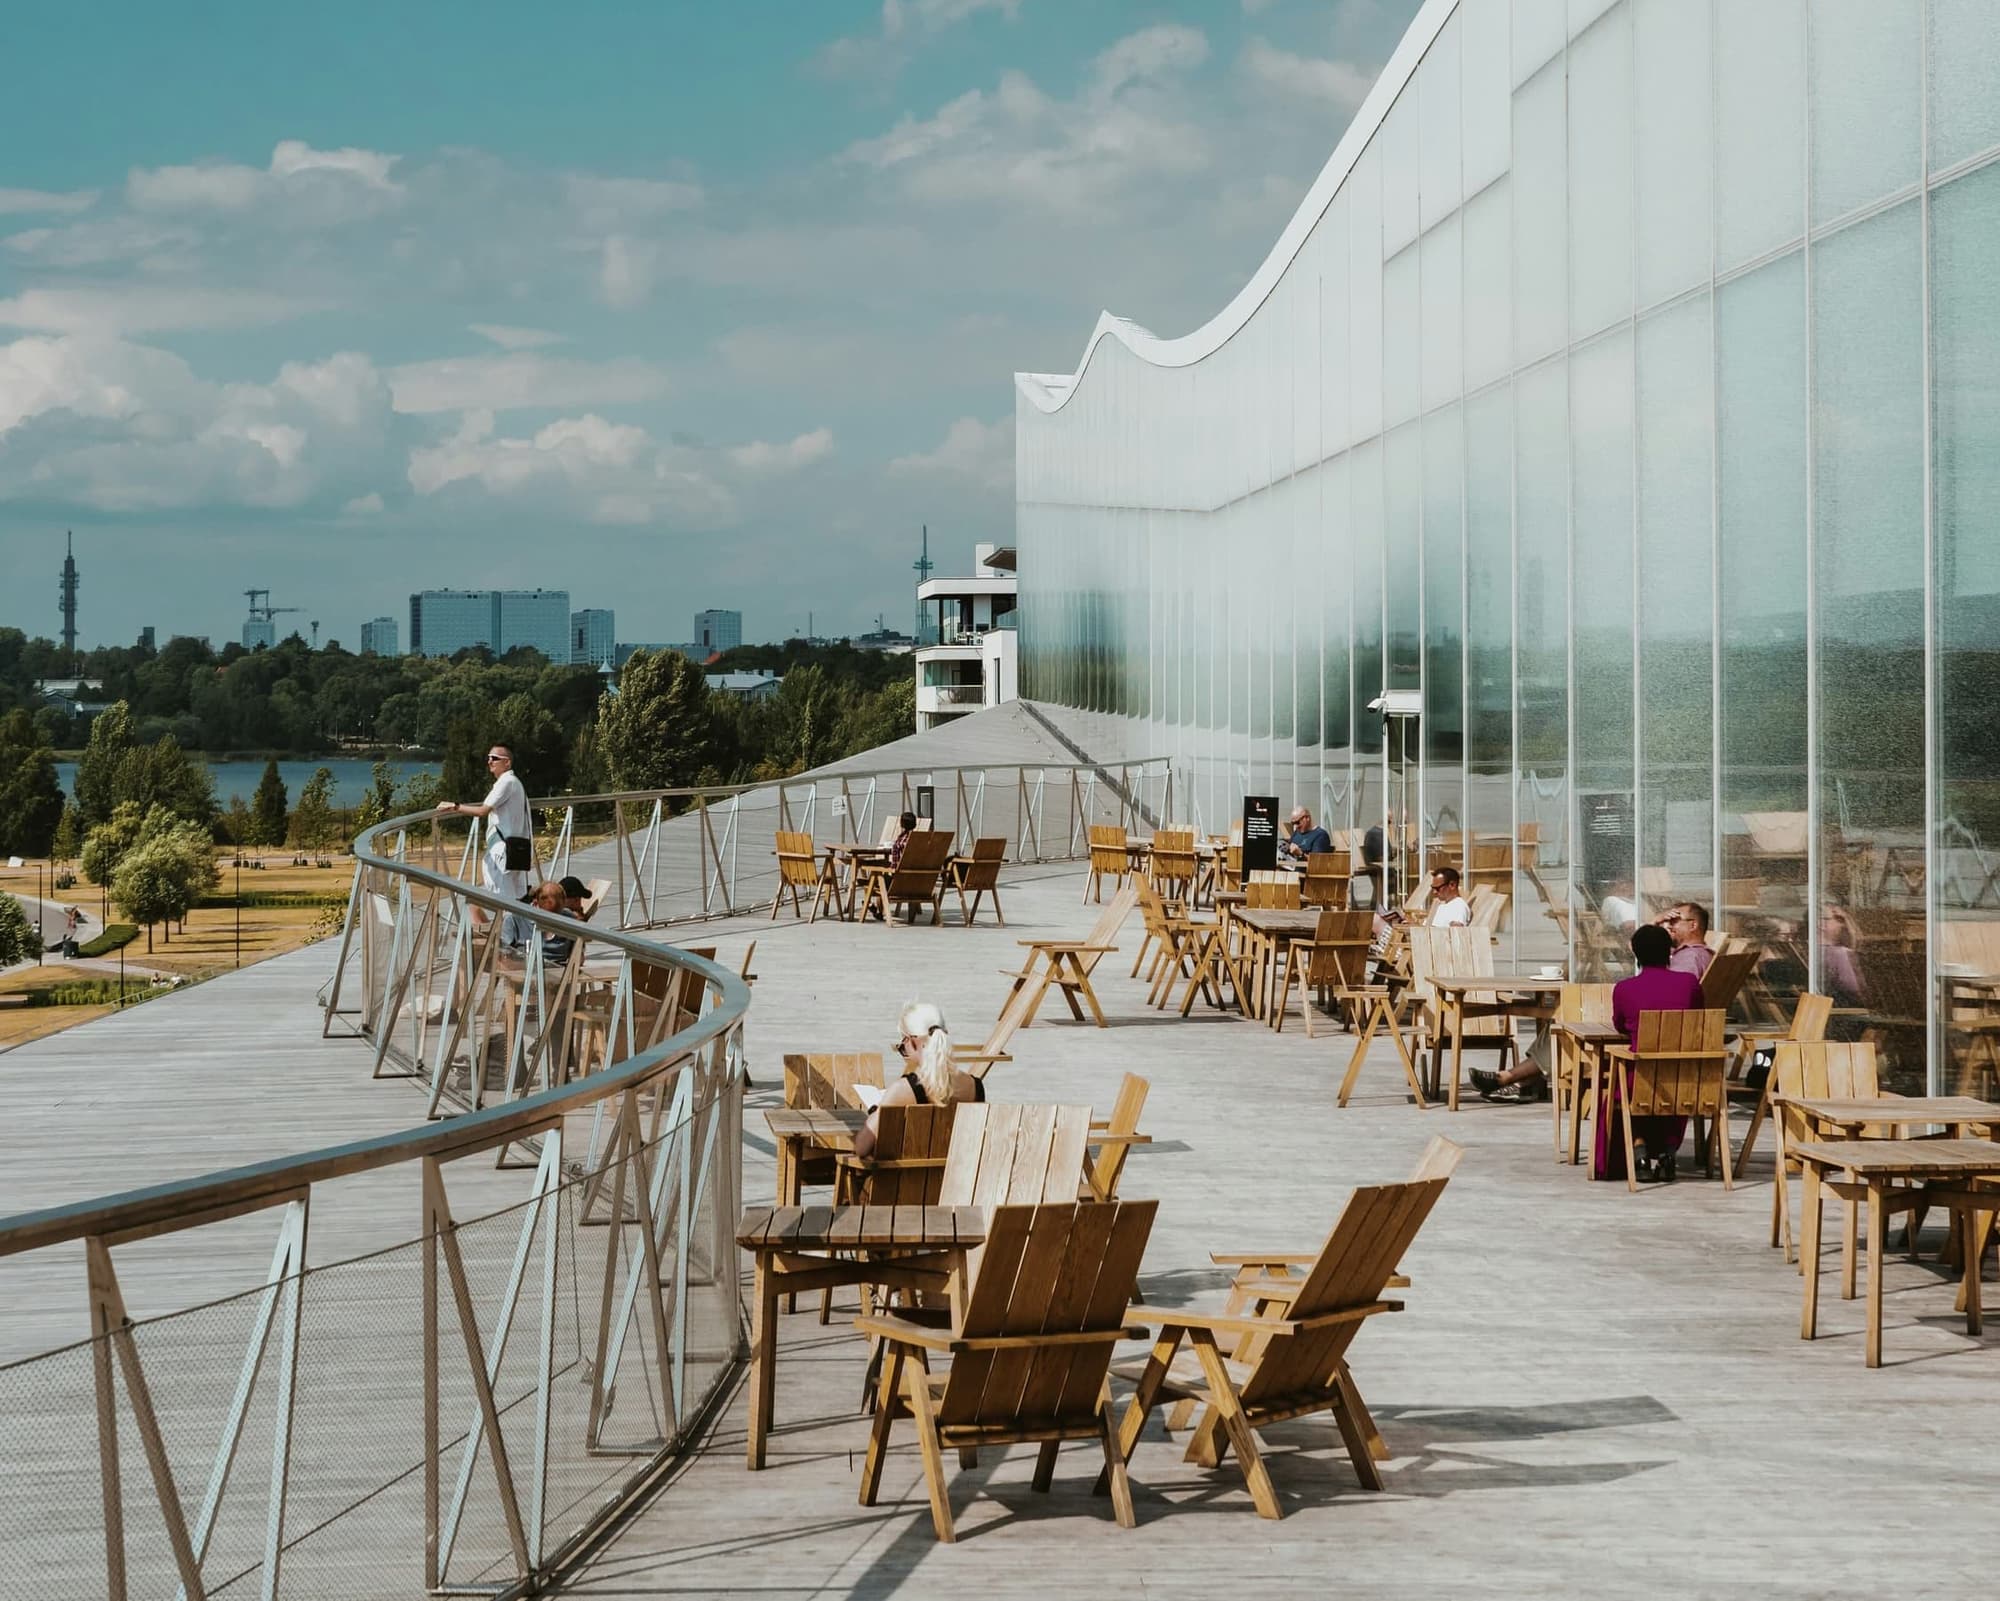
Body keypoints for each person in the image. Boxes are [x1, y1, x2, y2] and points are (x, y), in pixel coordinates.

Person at [1603, 923, 1704, 1181]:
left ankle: (1639, 1150)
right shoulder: (1689, 983)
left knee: (1627, 1088)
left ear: (1636, 955)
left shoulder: (1625, 989)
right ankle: (1668, 1151)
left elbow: (1620, 1025)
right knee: (1674, 1081)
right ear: (1669, 952)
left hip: (1641, 1079)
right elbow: (1699, 1018)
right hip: (1684, 1079)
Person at [851, 1000, 987, 1160]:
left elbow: (861, 1147)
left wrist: (876, 1111)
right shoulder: (974, 1086)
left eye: (903, 1044)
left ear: (912, 1041)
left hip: (900, 1183)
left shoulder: (903, 1090)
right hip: (954, 1181)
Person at [438, 743, 532, 944]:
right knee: (509, 900)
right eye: (488, 757)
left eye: (494, 758)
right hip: (514, 849)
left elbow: (483, 811)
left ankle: (505, 943)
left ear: (507, 763)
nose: (489, 761)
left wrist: (455, 806)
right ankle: (505, 939)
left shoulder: (506, 783)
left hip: (503, 852)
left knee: (501, 901)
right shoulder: (515, 783)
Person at [1661, 901, 1713, 980]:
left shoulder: (1690, 957)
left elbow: (1673, 990)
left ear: (1693, 925)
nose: (1669, 926)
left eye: (1674, 921)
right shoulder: (1696, 954)